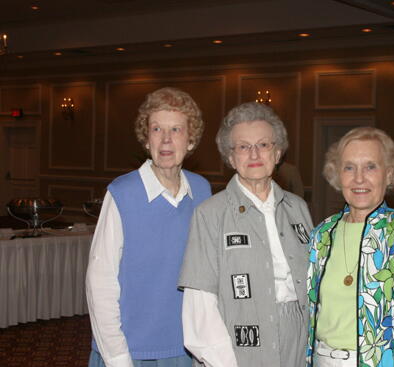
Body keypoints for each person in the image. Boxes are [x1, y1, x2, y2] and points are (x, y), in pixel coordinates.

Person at [178, 102, 313, 367]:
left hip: (299, 341)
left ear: (277, 153)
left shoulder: (298, 208)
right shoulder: (210, 214)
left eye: (263, 145)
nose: (254, 154)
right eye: (243, 146)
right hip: (236, 348)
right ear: (231, 157)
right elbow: (200, 308)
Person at [86, 87, 211, 367]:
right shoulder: (122, 193)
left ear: (190, 140)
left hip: (187, 348)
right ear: (146, 139)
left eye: (176, 129)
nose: (166, 139)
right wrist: (118, 358)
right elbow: (100, 282)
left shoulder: (202, 191)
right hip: (132, 351)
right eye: (157, 129)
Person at [306, 127, 394, 367]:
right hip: (323, 360)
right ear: (337, 175)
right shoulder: (321, 234)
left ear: (389, 174)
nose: (359, 178)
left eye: (370, 166)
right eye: (349, 167)